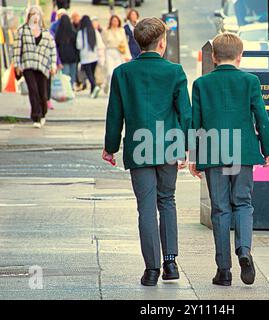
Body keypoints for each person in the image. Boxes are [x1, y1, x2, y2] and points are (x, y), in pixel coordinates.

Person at [102, 17, 192, 287]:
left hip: (138, 148)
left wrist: (110, 147)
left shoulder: (122, 73)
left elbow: (114, 114)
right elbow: (185, 114)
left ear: (137, 42)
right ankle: (171, 263)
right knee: (167, 201)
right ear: (162, 43)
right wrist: (188, 147)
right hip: (169, 146)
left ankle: (151, 269)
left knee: (145, 209)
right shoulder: (175, 72)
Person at [189, 33, 269, 287]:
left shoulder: (202, 84)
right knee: (244, 204)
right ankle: (244, 250)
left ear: (213, 57)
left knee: (220, 209)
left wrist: (194, 155)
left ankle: (223, 270)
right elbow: (262, 118)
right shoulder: (250, 81)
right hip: (244, 152)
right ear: (241, 56)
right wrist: (267, 150)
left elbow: (196, 123)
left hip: (214, 154)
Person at [13, 5, 57, 128]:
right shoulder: (22, 30)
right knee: (33, 90)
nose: (35, 16)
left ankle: (43, 113)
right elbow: (17, 48)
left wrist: (53, 65)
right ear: (29, 16)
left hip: (42, 66)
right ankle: (36, 116)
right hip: (28, 65)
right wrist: (17, 64)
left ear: (40, 17)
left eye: (37, 14)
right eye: (32, 14)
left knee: (43, 93)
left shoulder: (46, 33)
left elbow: (52, 50)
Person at [76, 15, 104, 98]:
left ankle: (95, 86)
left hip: (85, 57)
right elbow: (100, 44)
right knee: (92, 73)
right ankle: (93, 92)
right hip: (94, 56)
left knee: (89, 74)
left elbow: (79, 45)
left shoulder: (81, 32)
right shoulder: (95, 31)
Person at [102, 15, 131, 93]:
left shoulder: (121, 30)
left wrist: (127, 55)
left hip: (119, 52)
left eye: (116, 21)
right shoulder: (106, 31)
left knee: (118, 71)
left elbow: (125, 42)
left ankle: (116, 89)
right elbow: (103, 43)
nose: (115, 22)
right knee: (109, 72)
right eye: (113, 20)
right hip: (109, 52)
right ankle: (108, 86)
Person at [55, 15, 79, 88]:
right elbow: (76, 46)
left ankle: (66, 88)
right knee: (72, 74)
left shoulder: (58, 33)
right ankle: (71, 87)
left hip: (63, 57)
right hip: (73, 57)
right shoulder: (73, 32)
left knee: (65, 74)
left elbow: (56, 46)